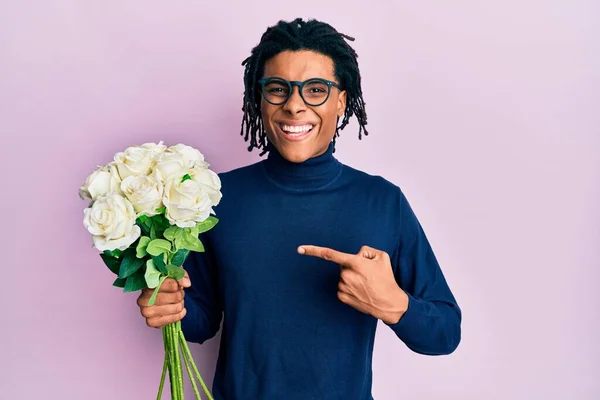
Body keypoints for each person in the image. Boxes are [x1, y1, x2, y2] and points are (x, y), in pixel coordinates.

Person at [137, 17, 461, 399]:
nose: (294, 105)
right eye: (278, 89)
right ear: (260, 99)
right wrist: (170, 306)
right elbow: (202, 320)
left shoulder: (383, 202)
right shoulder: (215, 197)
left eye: (315, 90)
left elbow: (445, 333)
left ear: (341, 100)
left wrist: (396, 305)